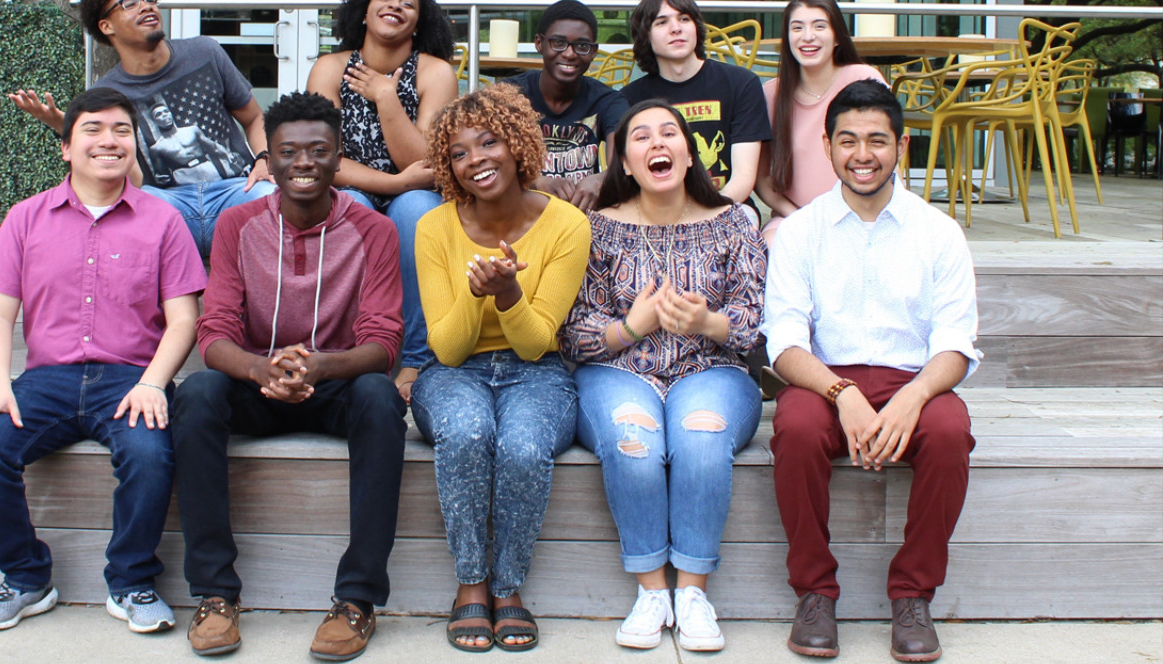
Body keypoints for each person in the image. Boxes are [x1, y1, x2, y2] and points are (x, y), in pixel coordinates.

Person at [0, 87, 207, 634]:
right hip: (46, 379)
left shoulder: (163, 222)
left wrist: (153, 384)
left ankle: (132, 581)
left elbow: (184, 318)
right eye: (92, 130)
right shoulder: (25, 218)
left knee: (150, 454)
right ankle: (25, 578)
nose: (109, 140)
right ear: (66, 148)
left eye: (121, 130)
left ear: (134, 146)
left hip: (129, 378)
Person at [170, 91, 408, 660]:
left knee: (380, 398)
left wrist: (319, 366)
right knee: (197, 393)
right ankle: (214, 593)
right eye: (288, 152)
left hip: (336, 383)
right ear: (269, 160)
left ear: (338, 156)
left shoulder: (373, 230)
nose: (303, 162)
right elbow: (214, 333)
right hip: (258, 384)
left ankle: (358, 599)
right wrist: (259, 369)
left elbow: (382, 344)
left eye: (319, 151)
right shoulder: (236, 224)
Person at [762, 80, 978, 663]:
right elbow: (782, 342)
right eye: (848, 140)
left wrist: (912, 398)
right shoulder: (800, 232)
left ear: (902, 146)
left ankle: (912, 594)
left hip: (916, 378)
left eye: (878, 140)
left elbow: (956, 344)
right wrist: (842, 392)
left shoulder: (938, 233)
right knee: (799, 428)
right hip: (825, 380)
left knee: (950, 430)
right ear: (828, 146)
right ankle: (814, 592)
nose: (863, 154)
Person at [560, 99, 767, 653]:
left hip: (712, 370)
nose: (658, 143)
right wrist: (631, 326)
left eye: (669, 133)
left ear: (688, 151)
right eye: (642, 137)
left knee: (700, 438)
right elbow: (573, 333)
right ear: (625, 163)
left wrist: (706, 322)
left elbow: (751, 326)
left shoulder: (733, 223)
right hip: (616, 372)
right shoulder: (595, 229)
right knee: (634, 442)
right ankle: (653, 592)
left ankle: (693, 594)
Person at [410, 83, 591, 653]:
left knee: (521, 446)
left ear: (517, 145)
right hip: (455, 373)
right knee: (465, 433)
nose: (475, 161)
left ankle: (508, 586)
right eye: (458, 153)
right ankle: (472, 582)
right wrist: (480, 291)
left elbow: (539, 344)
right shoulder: (433, 228)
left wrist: (508, 294)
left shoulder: (567, 225)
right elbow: (448, 349)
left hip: (537, 371)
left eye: (488, 143)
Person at [9, 0, 276, 255]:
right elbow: (130, 176)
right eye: (129, 4)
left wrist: (264, 160)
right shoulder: (105, 94)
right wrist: (68, 127)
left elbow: (253, 118)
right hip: (167, 202)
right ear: (106, 26)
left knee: (272, 197)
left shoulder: (205, 52)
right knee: (127, 214)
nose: (146, 7)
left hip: (235, 191)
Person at [305, 0, 459, 400]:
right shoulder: (330, 68)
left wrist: (387, 97)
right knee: (351, 203)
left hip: (416, 193)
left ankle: (415, 358)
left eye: (408, 3)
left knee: (416, 212)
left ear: (420, 20)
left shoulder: (434, 73)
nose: (396, 6)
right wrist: (391, 184)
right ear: (364, 12)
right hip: (353, 188)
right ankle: (346, 352)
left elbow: (425, 163)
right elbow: (321, 159)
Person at [620, 0, 771, 223]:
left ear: (696, 28)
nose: (676, 28)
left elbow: (743, 177)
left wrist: (703, 217)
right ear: (645, 35)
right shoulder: (629, 99)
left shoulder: (741, 84)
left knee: (745, 219)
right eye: (661, 22)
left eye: (684, 19)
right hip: (657, 213)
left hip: (727, 206)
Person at [756, 0, 887, 243]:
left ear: (837, 36)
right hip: (796, 217)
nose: (808, 36)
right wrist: (800, 218)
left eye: (819, 26)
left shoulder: (862, 78)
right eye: (797, 28)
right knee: (774, 245)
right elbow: (762, 179)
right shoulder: (771, 95)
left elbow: (889, 158)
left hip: (862, 215)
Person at [503, 0, 629, 211]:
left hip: (582, 212)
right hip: (520, 212)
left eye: (582, 46)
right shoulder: (510, 94)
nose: (570, 53)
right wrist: (534, 181)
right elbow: (485, 158)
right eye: (558, 43)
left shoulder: (607, 101)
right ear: (539, 43)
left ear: (593, 51)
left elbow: (626, 161)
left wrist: (602, 180)